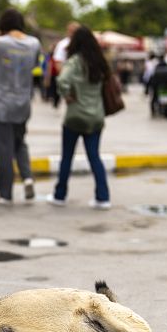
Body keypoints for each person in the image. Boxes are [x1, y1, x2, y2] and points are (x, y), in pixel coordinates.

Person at [47, 25, 111, 210]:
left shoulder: (75, 61)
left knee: (67, 157)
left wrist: (67, 95)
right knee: (94, 157)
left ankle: (60, 195)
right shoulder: (99, 62)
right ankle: (103, 197)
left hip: (75, 116)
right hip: (96, 117)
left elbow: (62, 80)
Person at [0, 8, 40, 206]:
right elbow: (34, 67)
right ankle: (28, 177)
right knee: (19, 142)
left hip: (1, 102)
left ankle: (5, 194)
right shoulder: (34, 43)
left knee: (3, 149)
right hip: (23, 102)